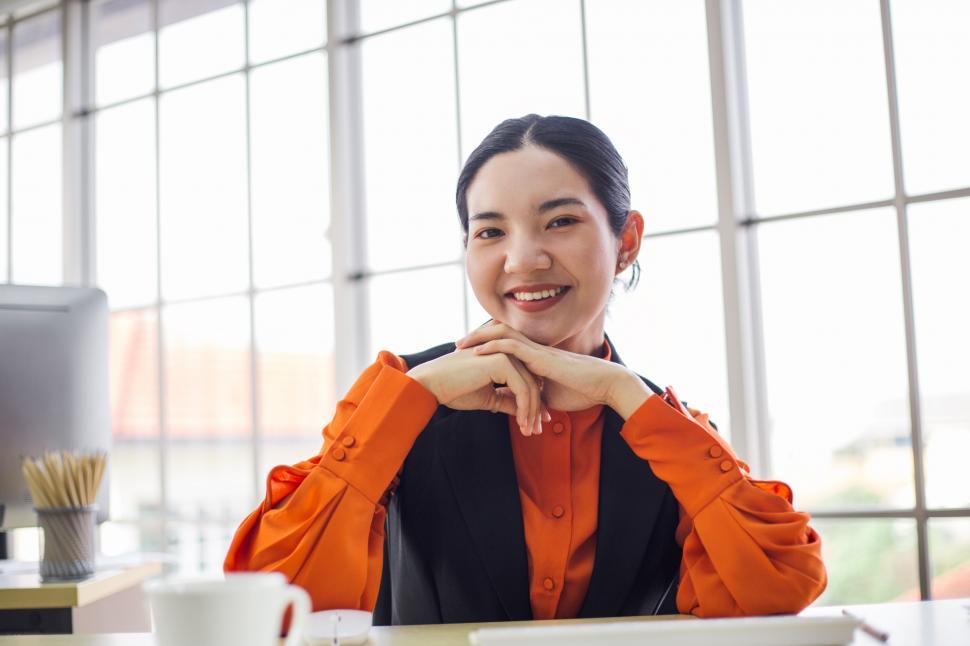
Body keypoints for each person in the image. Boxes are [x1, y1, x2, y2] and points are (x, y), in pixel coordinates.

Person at [224, 114, 826, 624]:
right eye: (490, 231)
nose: (522, 258)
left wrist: (622, 391)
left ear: (627, 241)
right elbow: (272, 605)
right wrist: (412, 400)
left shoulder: (667, 427)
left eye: (560, 221)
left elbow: (775, 591)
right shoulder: (398, 399)